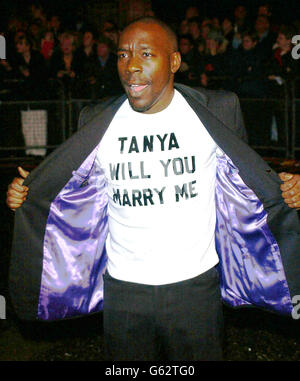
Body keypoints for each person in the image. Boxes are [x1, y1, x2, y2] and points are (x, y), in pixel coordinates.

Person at [6, 17, 300, 362]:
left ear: (173, 61)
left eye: (146, 54)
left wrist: (288, 189)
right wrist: (26, 197)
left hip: (196, 287)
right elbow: (70, 192)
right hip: (123, 290)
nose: (131, 66)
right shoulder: (96, 120)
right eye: (122, 55)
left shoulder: (217, 110)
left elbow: (245, 181)